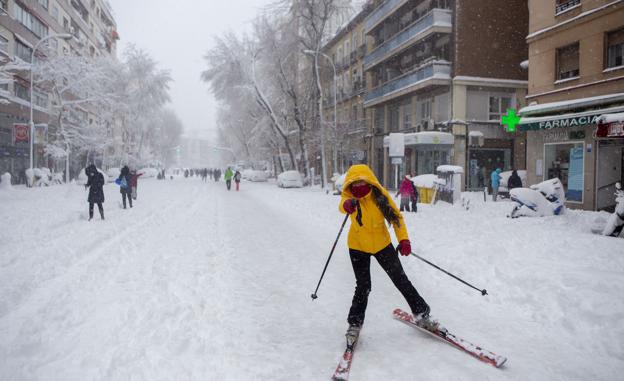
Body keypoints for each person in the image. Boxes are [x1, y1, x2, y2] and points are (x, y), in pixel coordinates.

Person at [339, 164, 431, 339]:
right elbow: (341, 206)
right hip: (357, 246)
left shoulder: (380, 196)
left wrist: (403, 239)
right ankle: (354, 324)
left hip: (382, 245)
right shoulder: (349, 196)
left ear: (369, 180)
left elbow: (396, 219)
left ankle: (422, 313)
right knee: (363, 286)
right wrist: (346, 205)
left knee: (400, 279)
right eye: (354, 183)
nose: (358, 186)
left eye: (361, 182)